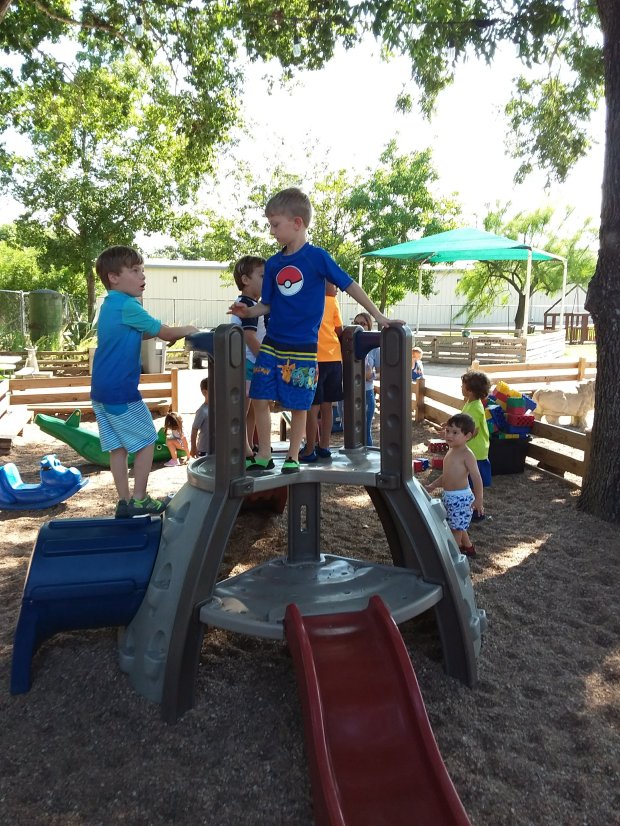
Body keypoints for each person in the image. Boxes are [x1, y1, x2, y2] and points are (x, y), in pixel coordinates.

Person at [229, 186, 403, 474]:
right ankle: (264, 453)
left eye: (275, 225)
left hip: (302, 346)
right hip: (273, 343)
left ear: (297, 223)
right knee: (259, 396)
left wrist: (378, 316)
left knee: (300, 403)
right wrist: (248, 312)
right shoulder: (274, 264)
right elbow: (267, 305)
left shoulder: (317, 258)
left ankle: (293, 456)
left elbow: (349, 284)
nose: (272, 231)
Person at [90, 245, 199, 518]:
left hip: (101, 390)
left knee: (117, 448)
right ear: (114, 277)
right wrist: (188, 330)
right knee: (147, 440)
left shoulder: (110, 305)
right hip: (121, 391)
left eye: (142, 270)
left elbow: (141, 332)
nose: (143, 275)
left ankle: (124, 501)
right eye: (135, 270)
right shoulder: (129, 305)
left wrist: (164, 333)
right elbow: (165, 332)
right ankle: (139, 499)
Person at [424, 413, 483, 557]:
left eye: (455, 432)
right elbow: (447, 475)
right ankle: (468, 547)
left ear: (467, 436)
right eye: (448, 430)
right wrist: (432, 485)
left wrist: (479, 499)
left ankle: (454, 557)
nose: (449, 435)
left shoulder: (467, 454)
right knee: (457, 525)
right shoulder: (451, 451)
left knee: (455, 530)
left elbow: (476, 477)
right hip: (449, 496)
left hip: (461, 499)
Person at [299, 282, 344, 462]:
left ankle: (310, 448)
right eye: (334, 285)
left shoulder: (307, 301)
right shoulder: (332, 302)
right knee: (327, 406)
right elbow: (339, 329)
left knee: (312, 407)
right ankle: (324, 445)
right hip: (334, 358)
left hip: (313, 358)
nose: (337, 289)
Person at [229, 255, 268, 459]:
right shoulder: (247, 305)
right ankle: (244, 448)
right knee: (244, 409)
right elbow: (249, 336)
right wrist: (264, 358)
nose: (266, 280)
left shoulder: (252, 304)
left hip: (249, 361)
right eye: (262, 276)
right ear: (245, 280)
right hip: (249, 362)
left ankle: (249, 445)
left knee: (252, 408)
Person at [461, 369, 491, 520]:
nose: (460, 387)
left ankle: (477, 512)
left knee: (473, 485)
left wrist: (459, 439)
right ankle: (472, 510)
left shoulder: (474, 407)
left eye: (463, 385)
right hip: (472, 450)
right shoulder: (470, 403)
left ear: (470, 390)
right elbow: (463, 421)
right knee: (469, 483)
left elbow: (474, 431)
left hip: (476, 452)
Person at [353, 311, 380, 446]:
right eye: (356, 323)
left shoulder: (375, 347)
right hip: (347, 392)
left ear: (369, 326)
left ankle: (367, 455)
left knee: (364, 431)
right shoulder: (347, 344)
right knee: (349, 431)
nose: (359, 326)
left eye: (363, 324)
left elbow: (382, 372)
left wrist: (372, 375)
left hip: (366, 392)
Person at [190, 376, 210, 458]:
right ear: (205, 392)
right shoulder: (202, 411)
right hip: (204, 450)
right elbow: (194, 429)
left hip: (215, 448)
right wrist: (193, 447)